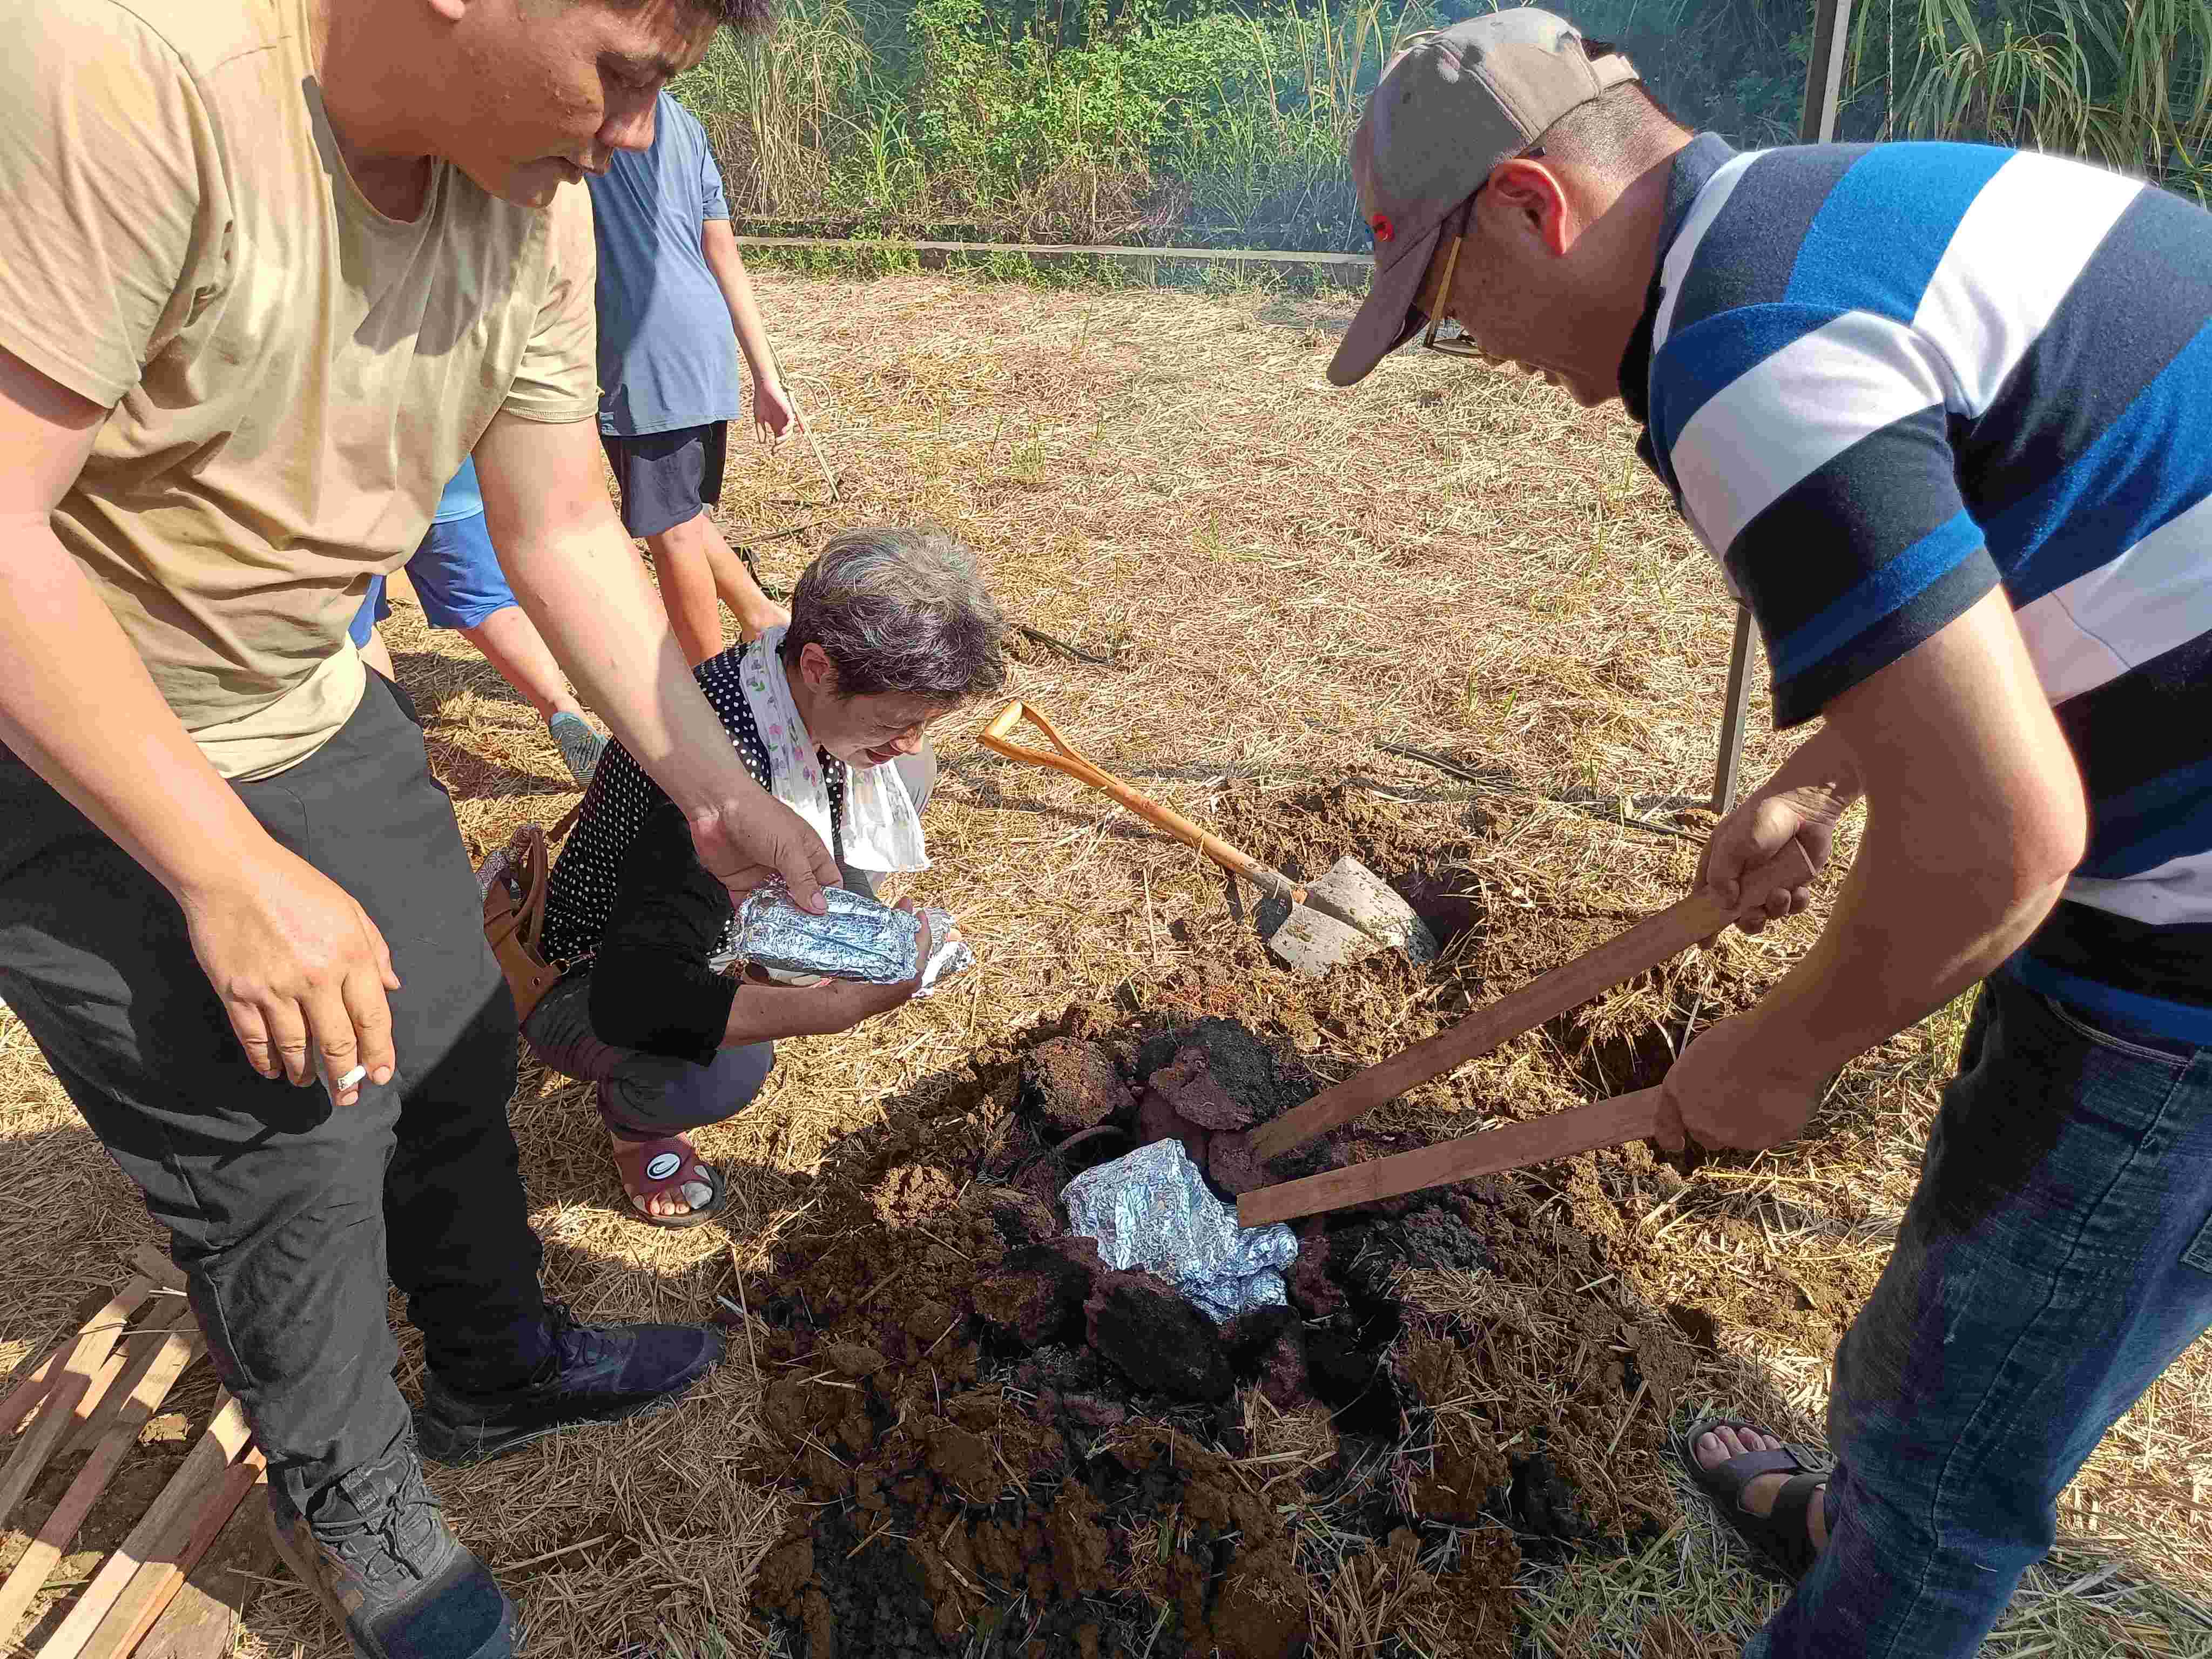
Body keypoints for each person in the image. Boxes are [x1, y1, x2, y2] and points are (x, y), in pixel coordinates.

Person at [1326, 10, 2211, 1657]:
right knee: (1943, 1319)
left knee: (1970, 1431)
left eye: (1452, 309)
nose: (1489, 357)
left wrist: (1784, 1049)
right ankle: (1849, 1523)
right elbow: (2061, 516)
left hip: (2191, 931)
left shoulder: (1752, 360)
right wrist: (1838, 760)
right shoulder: (1814, 221)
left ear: (1533, 205)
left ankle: (1883, 1557)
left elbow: (2006, 839)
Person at [0, 0, 849, 1654]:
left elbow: (556, 521)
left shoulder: (526, 192)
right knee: (291, 1146)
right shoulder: (121, 69)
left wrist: (716, 785)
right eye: (622, 72)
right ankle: (350, 1483)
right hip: (65, 728)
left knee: (456, 1034)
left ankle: (493, 1361)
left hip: (303, 694)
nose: (627, 134)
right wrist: (224, 870)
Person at [524, 525, 1004, 1225]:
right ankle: (640, 1124)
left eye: (926, 719)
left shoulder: (777, 685)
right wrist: (825, 1010)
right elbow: (631, 999)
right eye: (898, 719)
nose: (911, 739)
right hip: (588, 976)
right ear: (818, 666)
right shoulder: (715, 802)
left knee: (907, 772)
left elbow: (891, 756)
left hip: (691, 915)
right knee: (728, 1069)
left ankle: (791, 934)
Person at [590, 86, 796, 665]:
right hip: (704, 342)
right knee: (677, 508)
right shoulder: (684, 123)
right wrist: (763, 372)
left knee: (672, 532)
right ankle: (761, 617)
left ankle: (710, 689)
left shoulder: (589, 105)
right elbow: (723, 250)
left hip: (647, 344)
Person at [352, 458, 608, 787]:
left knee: (357, 631)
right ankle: (561, 705)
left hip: (358, 497)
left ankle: (396, 756)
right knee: (490, 605)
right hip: (447, 479)